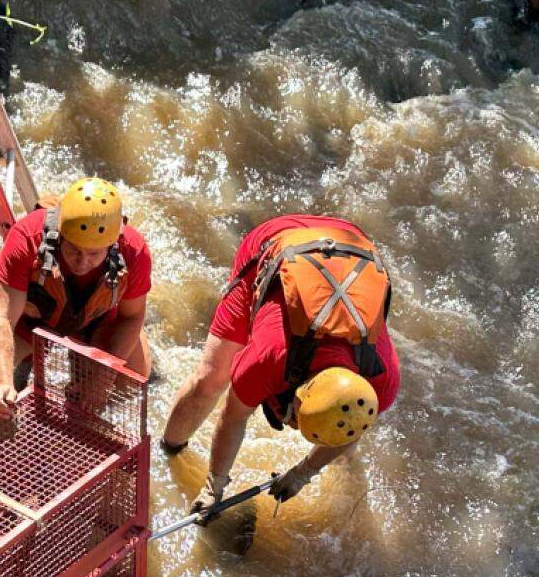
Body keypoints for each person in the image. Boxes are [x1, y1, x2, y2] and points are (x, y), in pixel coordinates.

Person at [161, 214, 400, 532]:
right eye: (296, 421)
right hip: (275, 246)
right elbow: (233, 417)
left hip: (351, 250)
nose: (291, 427)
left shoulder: (380, 384)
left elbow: (354, 429)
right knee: (211, 378)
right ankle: (169, 449)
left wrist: (304, 472)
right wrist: (212, 486)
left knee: (343, 426)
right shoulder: (268, 359)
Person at [0, 177, 153, 421]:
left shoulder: (134, 251)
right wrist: (2, 382)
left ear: (115, 239)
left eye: (94, 253)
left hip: (98, 318)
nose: (82, 263)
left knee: (132, 381)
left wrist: (102, 378)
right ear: (60, 232)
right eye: (74, 249)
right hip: (33, 317)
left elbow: (132, 316)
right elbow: (1, 317)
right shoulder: (25, 238)